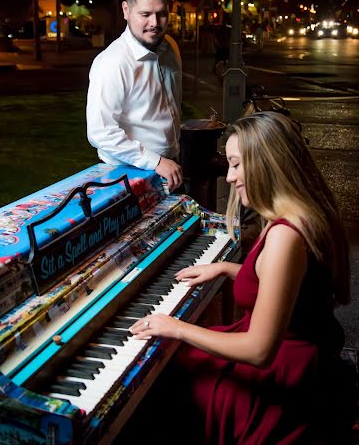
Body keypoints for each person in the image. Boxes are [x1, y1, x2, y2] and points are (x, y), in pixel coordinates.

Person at [130, 111, 352, 443]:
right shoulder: (307, 211)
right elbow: (292, 285)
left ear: (266, 163)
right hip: (302, 353)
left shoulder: (285, 236)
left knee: (165, 379)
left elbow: (259, 350)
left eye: (236, 164)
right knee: (176, 361)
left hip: (282, 374)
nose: (230, 177)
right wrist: (225, 268)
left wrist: (175, 327)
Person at [86, 0, 183, 192]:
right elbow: (101, 132)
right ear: (126, 10)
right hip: (127, 176)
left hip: (171, 167)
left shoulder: (170, 48)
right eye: (145, 14)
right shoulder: (112, 63)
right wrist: (156, 162)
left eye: (161, 14)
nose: (154, 23)